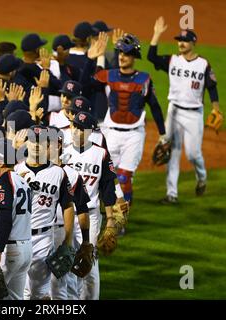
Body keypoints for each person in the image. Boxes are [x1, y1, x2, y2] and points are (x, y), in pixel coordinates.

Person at [83, 32, 167, 204]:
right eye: (120, 52)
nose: (122, 56)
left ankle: (122, 217)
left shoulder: (144, 80)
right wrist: (94, 58)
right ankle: (108, 212)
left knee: (124, 177)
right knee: (106, 175)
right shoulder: (109, 76)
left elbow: (155, 107)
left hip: (134, 135)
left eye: (127, 53)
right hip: (111, 133)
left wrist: (163, 134)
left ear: (134, 56)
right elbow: (87, 84)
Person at [148, 17, 220, 203]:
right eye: (179, 41)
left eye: (184, 41)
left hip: (194, 114)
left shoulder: (203, 64)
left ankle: (202, 178)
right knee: (171, 151)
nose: (180, 43)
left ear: (193, 43)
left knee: (194, 154)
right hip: (174, 111)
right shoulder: (173, 60)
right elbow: (151, 57)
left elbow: (211, 86)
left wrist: (216, 108)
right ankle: (171, 194)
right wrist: (156, 34)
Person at [14, 125, 74, 300]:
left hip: (43, 239)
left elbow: (68, 206)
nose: (36, 145)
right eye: (32, 141)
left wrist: (68, 242)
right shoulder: (16, 171)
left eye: (41, 142)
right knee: (19, 292)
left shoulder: (58, 173)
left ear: (48, 146)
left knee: (39, 294)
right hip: (18, 238)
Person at [64, 111, 119, 300]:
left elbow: (108, 188)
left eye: (81, 129)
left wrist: (111, 220)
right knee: (66, 260)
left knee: (88, 261)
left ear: (90, 132)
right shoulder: (62, 153)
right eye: (74, 126)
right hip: (67, 214)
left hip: (91, 214)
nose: (76, 132)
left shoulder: (100, 154)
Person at [0, 139, 33, 300]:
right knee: (14, 298)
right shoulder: (22, 181)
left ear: (1, 161)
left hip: (9, 249)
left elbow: (5, 218)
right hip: (25, 248)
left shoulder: (1, 181)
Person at [47, 126, 91, 300]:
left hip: (63, 232)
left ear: (58, 145)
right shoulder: (30, 172)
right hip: (37, 233)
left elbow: (82, 209)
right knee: (36, 287)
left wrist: (86, 241)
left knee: (63, 284)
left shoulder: (72, 175)